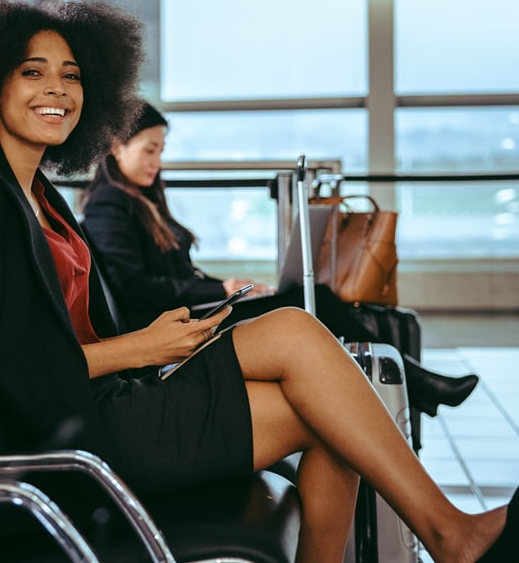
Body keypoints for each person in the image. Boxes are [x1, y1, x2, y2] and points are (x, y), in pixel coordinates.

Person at [0, 0, 519, 563]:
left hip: (100, 407)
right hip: (64, 444)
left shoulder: (34, 196)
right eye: (33, 73)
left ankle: (452, 536)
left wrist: (163, 344)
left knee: (332, 411)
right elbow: (13, 373)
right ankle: (453, 536)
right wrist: (145, 349)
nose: (57, 89)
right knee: (306, 354)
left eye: (71, 75)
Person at [81, 102, 480, 418]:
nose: (158, 161)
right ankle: (419, 385)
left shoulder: (138, 201)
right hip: (175, 326)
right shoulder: (109, 205)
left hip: (191, 311)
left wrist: (224, 287)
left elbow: (165, 275)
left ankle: (412, 384)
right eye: (150, 150)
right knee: (314, 300)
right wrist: (218, 289)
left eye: (161, 150)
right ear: (117, 146)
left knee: (307, 298)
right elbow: (132, 286)